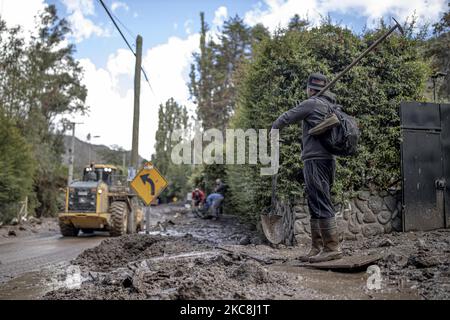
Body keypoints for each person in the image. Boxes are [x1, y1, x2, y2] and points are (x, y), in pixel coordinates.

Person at [271, 72, 342, 263]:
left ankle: (331, 247)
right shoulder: (330, 106)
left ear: (310, 88)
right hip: (327, 160)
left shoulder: (311, 103)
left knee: (321, 201)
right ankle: (317, 247)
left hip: (315, 160)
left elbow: (286, 117)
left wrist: (273, 129)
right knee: (316, 201)